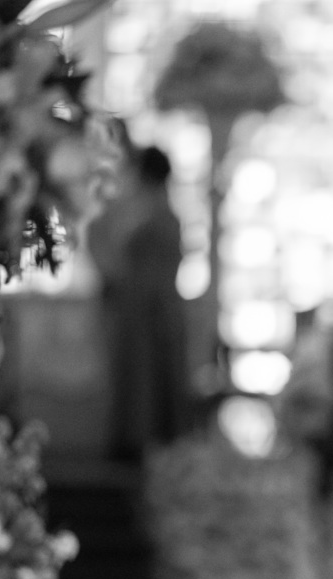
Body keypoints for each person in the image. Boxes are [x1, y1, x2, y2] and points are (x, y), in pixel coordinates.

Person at [87, 144, 194, 461]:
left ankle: (154, 451)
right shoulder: (135, 208)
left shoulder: (148, 208)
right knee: (139, 378)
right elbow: (99, 240)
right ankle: (136, 447)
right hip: (141, 309)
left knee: (155, 379)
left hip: (152, 307)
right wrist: (117, 277)